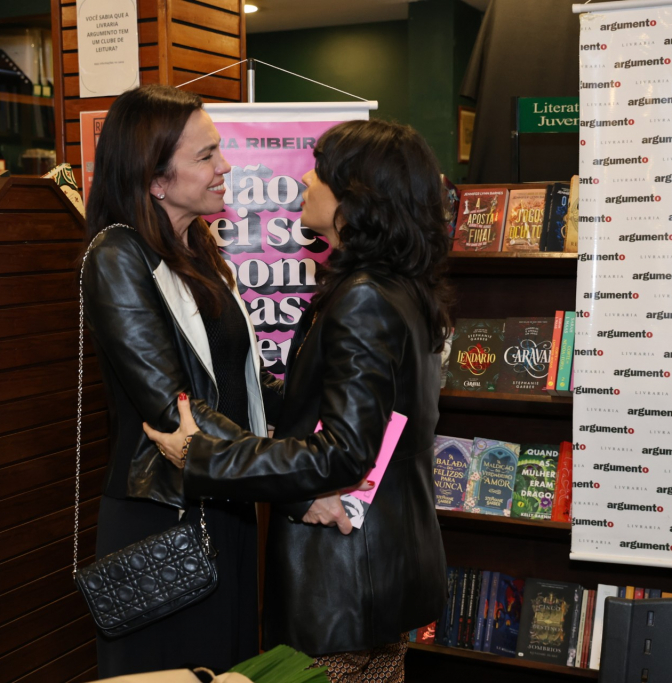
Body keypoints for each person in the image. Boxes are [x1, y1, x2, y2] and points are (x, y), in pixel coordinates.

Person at [145, 119, 451, 682]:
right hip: (377, 569)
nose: (306, 178)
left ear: (356, 197)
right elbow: (336, 405)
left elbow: (344, 453)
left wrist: (201, 453)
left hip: (341, 580)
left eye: (323, 171)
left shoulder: (362, 297)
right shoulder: (400, 285)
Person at [81, 84, 277, 676]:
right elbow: (174, 409)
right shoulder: (117, 256)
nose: (225, 166)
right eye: (206, 156)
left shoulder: (198, 252)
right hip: (163, 519)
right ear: (156, 179)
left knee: (229, 667)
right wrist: (287, 472)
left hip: (223, 497)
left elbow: (239, 388)